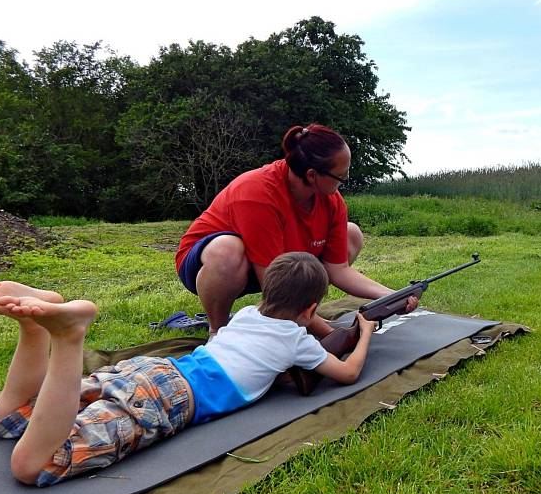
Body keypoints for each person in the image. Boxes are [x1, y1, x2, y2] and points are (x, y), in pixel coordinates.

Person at [0, 252, 377, 487]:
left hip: (154, 370)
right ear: (310, 310)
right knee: (34, 464)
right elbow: (347, 373)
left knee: (14, 418)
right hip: (171, 399)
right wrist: (364, 333)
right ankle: (68, 338)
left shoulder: (243, 315)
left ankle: (32, 330)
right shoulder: (298, 340)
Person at [175, 123, 417, 337]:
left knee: (351, 233)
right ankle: (218, 330)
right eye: (342, 177)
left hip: (275, 262)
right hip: (212, 264)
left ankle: (297, 314)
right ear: (312, 175)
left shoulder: (331, 200)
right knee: (228, 250)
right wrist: (332, 334)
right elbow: (273, 283)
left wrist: (393, 295)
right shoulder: (257, 194)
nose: (346, 181)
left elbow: (339, 270)